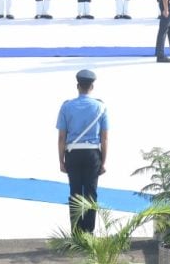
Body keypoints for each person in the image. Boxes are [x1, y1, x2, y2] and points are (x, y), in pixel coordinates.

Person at [56, 69, 109, 234]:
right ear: (92, 86)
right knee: (91, 194)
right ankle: (89, 232)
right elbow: (104, 138)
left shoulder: (66, 107)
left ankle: (77, 233)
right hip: (92, 154)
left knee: (75, 193)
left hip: (73, 154)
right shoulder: (101, 107)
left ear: (77, 86)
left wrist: (61, 160)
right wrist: (103, 162)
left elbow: (61, 138)